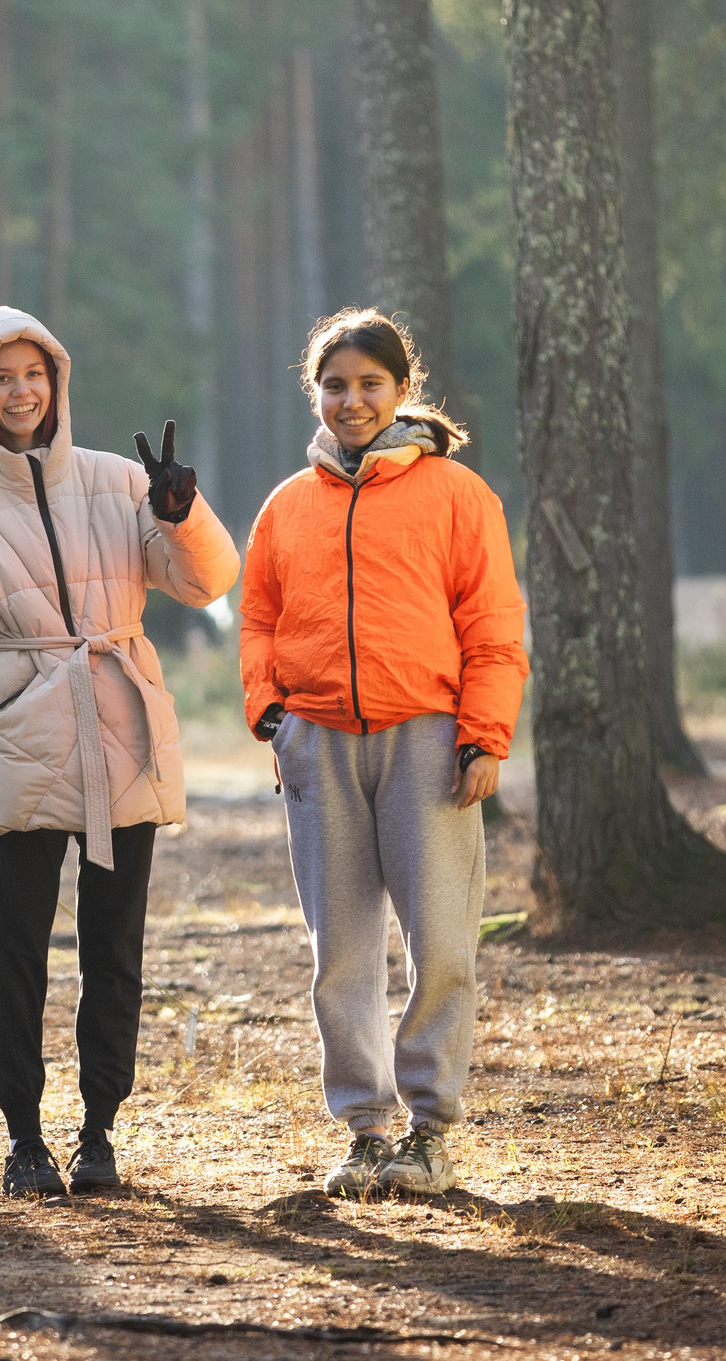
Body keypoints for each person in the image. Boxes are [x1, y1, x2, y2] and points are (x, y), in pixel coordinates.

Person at [0, 309, 241, 1197]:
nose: (21, 390)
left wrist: (182, 512)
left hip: (125, 727)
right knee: (18, 949)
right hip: (27, 733)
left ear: (57, 379)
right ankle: (25, 1139)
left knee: (116, 947)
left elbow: (207, 579)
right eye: (0, 377)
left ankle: (100, 1130)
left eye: (34, 372)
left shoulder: (119, 479)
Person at [238, 308, 528, 1199]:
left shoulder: (458, 495)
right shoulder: (287, 505)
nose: (352, 400)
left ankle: (431, 1129)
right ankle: (364, 1128)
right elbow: (258, 618)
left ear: (404, 391)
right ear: (314, 394)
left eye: (370, 384)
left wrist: (484, 735)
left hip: (430, 742)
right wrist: (274, 716)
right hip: (319, 745)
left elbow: (494, 625)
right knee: (342, 950)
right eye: (335, 385)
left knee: (441, 939)